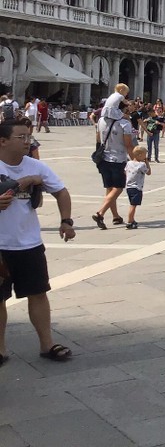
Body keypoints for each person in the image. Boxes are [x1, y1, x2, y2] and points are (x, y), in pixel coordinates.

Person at [0, 117, 76, 364]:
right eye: (20, 137)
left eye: (28, 137)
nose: (27, 141)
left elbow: (61, 191)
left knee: (38, 293)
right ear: (2, 141)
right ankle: (0, 349)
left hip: (28, 243)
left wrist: (66, 221)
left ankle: (47, 344)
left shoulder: (36, 166)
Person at [92, 101, 136, 229]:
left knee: (109, 188)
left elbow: (98, 139)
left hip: (104, 159)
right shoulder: (124, 124)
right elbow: (128, 145)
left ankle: (116, 216)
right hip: (118, 159)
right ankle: (100, 213)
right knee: (118, 187)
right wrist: (134, 162)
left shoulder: (101, 121)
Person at [124, 145, 151, 229]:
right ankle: (129, 221)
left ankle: (132, 219)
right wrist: (147, 163)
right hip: (137, 187)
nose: (145, 157)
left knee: (132, 204)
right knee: (133, 205)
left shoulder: (129, 163)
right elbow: (149, 172)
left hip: (129, 187)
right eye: (144, 155)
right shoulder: (142, 165)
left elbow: (125, 172)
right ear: (139, 155)